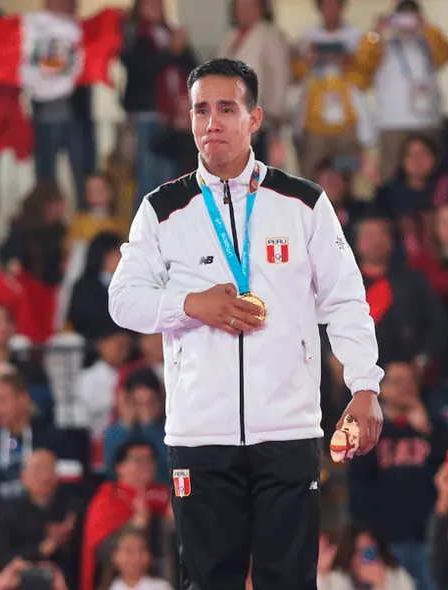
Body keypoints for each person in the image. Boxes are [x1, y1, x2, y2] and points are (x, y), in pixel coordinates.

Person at [108, 57, 384, 590]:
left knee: (290, 580)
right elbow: (123, 301)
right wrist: (191, 304)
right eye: (200, 110)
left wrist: (366, 384)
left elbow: (345, 299)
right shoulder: (163, 208)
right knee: (209, 581)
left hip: (288, 429)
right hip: (198, 433)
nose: (212, 122)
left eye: (226, 109)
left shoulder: (303, 202)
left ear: (254, 118)